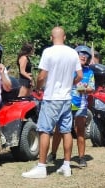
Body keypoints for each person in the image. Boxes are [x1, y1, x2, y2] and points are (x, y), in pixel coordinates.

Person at [22, 26, 83, 179]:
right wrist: (70, 83)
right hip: (66, 98)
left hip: (51, 97)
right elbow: (80, 75)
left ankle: (42, 167)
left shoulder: (48, 52)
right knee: (66, 131)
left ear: (51, 37)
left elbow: (42, 75)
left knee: (44, 130)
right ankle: (67, 165)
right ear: (65, 37)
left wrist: (38, 86)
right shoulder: (73, 52)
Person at [46, 45, 95, 168]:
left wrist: (80, 88)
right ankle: (52, 154)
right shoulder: (68, 69)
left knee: (80, 131)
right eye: (80, 54)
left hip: (81, 105)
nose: (83, 56)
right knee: (58, 130)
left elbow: (92, 88)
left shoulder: (89, 72)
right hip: (65, 103)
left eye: (86, 55)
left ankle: (81, 157)